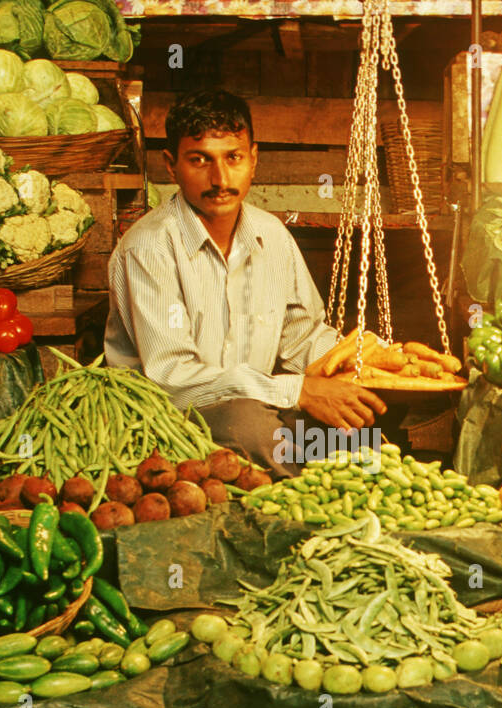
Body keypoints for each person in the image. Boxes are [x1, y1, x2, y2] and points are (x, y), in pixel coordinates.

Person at [104, 89, 386, 476]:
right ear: (171, 166)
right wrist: (296, 391)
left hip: (258, 402)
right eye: (199, 160)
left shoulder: (271, 236)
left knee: (359, 419)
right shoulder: (148, 248)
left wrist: (363, 362)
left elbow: (302, 337)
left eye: (233, 158)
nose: (220, 179)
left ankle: (335, 495)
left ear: (253, 160)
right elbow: (171, 380)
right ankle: (299, 507)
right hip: (168, 417)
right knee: (252, 427)